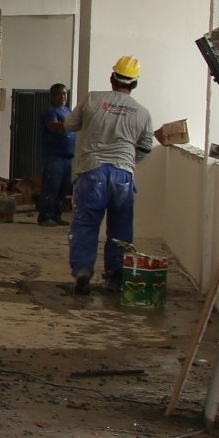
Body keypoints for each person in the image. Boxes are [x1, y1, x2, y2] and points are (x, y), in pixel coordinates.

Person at [64, 56, 155, 294]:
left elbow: (68, 125)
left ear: (112, 77)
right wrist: (128, 164)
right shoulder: (143, 113)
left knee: (85, 223)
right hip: (122, 176)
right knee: (121, 228)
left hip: (91, 172)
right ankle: (115, 275)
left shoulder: (93, 99)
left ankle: (83, 270)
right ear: (135, 83)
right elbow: (146, 147)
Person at [38, 84, 75, 226]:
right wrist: (72, 125)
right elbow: (53, 126)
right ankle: (45, 216)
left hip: (67, 156)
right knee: (51, 187)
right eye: (60, 94)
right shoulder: (50, 111)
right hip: (54, 155)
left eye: (65, 94)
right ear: (53, 96)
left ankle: (56, 215)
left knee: (63, 188)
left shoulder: (67, 111)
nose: (63, 97)